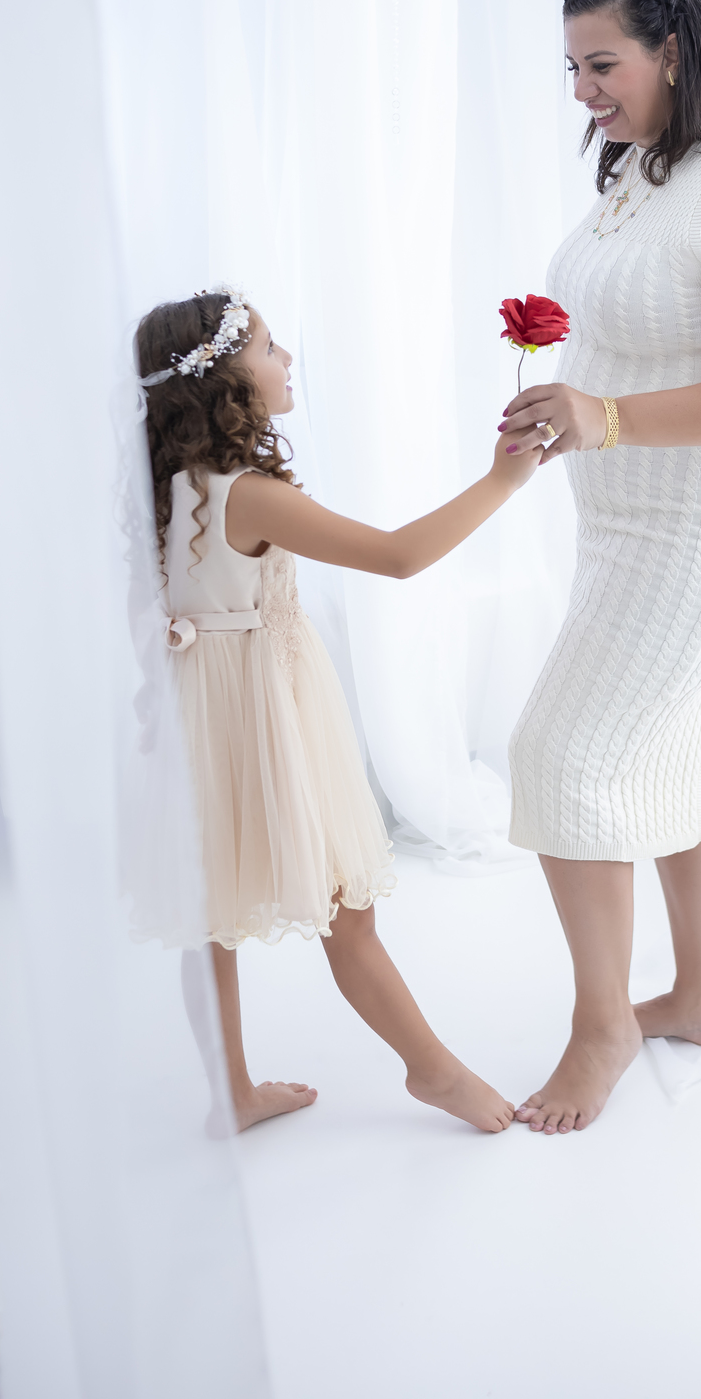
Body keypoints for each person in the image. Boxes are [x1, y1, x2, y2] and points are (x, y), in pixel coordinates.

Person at [502, 0, 701, 1136]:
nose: (582, 89)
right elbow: (641, 322)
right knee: (673, 758)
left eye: (602, 63)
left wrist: (609, 415)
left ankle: (605, 1028)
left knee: (556, 753)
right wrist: (562, 401)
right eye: (571, 67)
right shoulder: (641, 165)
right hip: (624, 520)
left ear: (672, 47)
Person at [135, 287, 543, 1133]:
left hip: (197, 719)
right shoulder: (243, 492)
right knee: (346, 910)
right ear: (224, 383)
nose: (289, 362)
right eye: (272, 349)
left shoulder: (172, 487)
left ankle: (230, 1091)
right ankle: (432, 1071)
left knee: (206, 913)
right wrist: (503, 480)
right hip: (263, 716)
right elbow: (396, 557)